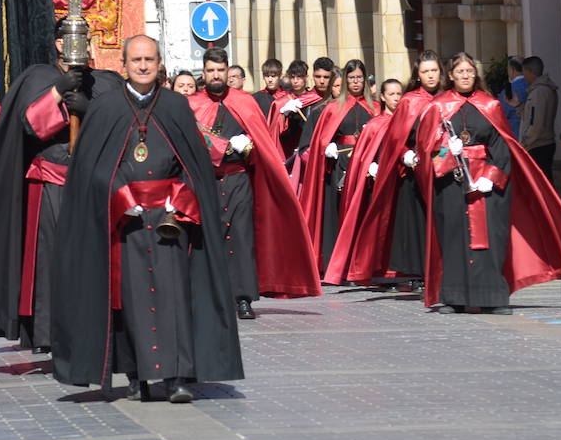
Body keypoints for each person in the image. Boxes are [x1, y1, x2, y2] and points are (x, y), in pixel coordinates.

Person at [50, 35, 242, 403]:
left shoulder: (175, 106)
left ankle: (178, 377)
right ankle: (140, 375)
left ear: (159, 64)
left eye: (149, 60)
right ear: (124, 64)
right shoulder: (106, 108)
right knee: (133, 301)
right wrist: (121, 194)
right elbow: (92, 166)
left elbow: (195, 165)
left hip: (172, 220)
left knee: (175, 298)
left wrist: (179, 199)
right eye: (136, 59)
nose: (142, 66)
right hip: (126, 222)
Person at [0, 23, 123, 350]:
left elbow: (119, 127)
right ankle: (47, 331)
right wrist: (58, 93)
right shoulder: (38, 78)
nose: (83, 45)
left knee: (92, 256)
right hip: (50, 178)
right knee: (48, 260)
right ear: (60, 43)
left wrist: (89, 111)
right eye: (76, 39)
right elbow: (31, 125)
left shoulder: (105, 82)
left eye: (87, 39)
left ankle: (93, 325)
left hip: (91, 181)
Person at [409, 53, 561, 312]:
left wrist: (490, 177)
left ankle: (492, 297)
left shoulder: (490, 105)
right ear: (450, 75)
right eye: (460, 72)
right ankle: (455, 297)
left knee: (492, 238)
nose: (465, 76)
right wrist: (447, 149)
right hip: (451, 182)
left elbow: (503, 147)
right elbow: (426, 149)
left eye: (470, 71)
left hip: (486, 183)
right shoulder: (437, 107)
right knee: (454, 238)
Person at [187, 48, 320, 318]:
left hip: (239, 178)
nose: (215, 75)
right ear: (204, 72)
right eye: (210, 70)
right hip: (206, 182)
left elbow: (263, 142)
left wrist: (250, 147)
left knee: (241, 236)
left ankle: (243, 297)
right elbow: (187, 143)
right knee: (209, 238)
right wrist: (221, 147)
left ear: (227, 71)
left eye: (220, 70)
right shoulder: (191, 104)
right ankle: (210, 297)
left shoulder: (244, 102)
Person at [326, 52, 445, 289]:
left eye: (434, 70)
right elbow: (398, 139)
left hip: (441, 169)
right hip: (360, 166)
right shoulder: (410, 102)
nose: (356, 82)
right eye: (352, 78)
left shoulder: (443, 100)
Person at [299, 61, 379, 274]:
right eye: (351, 78)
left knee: (362, 213)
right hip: (339, 167)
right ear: (345, 80)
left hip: (365, 166)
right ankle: (339, 264)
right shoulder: (332, 109)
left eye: (359, 78)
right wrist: (327, 146)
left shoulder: (375, 108)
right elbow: (316, 142)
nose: (355, 82)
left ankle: (361, 263)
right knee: (338, 215)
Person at [518, 55, 559, 180]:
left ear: (530, 72)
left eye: (524, 72)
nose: (524, 76)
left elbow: (536, 122)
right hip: (544, 142)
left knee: (540, 184)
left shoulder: (538, 93)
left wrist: (526, 143)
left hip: (537, 146)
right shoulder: (546, 90)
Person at [500, 55, 527, 137]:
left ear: (512, 70)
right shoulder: (534, 86)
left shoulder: (508, 91)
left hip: (514, 133)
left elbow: (501, 115)